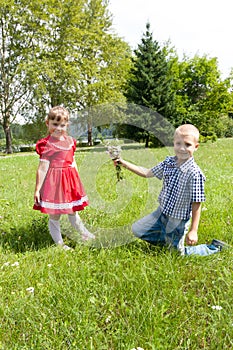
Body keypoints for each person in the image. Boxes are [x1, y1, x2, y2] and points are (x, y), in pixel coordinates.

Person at [116, 124, 227, 256]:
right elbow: (146, 173)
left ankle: (213, 247)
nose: (182, 148)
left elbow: (196, 203)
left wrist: (193, 230)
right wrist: (123, 163)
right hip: (161, 212)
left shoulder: (194, 173)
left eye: (187, 144)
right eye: (178, 143)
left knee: (176, 254)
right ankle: (169, 241)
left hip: (177, 220)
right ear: (173, 144)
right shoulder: (168, 162)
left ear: (196, 147)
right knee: (137, 229)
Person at [33, 106, 95, 250]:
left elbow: (73, 162)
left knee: (73, 211)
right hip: (54, 184)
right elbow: (42, 168)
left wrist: (77, 183)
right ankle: (60, 245)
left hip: (70, 183)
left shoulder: (70, 142)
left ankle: (84, 233)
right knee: (55, 215)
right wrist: (37, 190)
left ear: (67, 125)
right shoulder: (47, 145)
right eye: (55, 124)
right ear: (47, 123)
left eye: (62, 125)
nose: (58, 128)